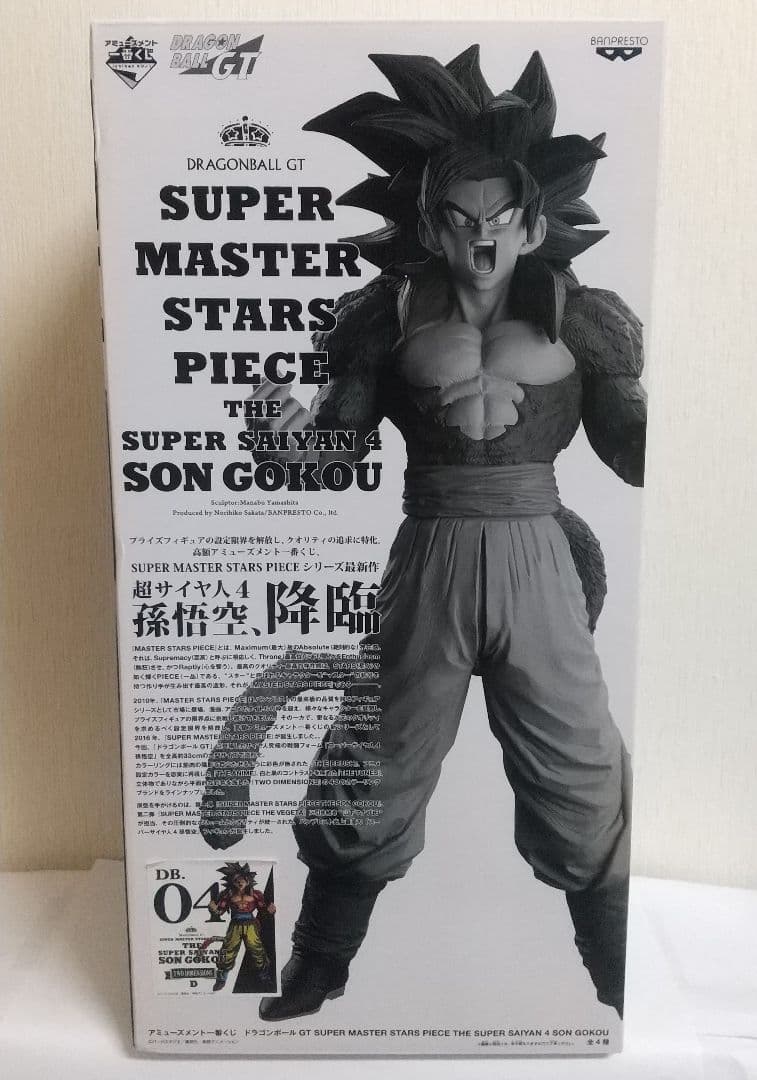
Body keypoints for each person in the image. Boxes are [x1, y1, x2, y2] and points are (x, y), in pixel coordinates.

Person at [201, 46, 646, 1022]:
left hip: (537, 553)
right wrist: (278, 441)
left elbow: (634, 451)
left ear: (533, 223)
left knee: (579, 766)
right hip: (429, 550)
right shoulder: (381, 318)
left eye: (499, 217)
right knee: (374, 760)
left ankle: (618, 972)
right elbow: (333, 455)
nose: (481, 237)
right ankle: (318, 963)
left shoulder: (588, 320)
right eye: (459, 216)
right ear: (429, 222)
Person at [209, 862, 276, 991]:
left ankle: (264, 976)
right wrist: (214, 909)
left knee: (257, 949)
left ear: (248, 880)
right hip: (235, 926)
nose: (240, 882)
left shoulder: (256, 894)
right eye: (237, 880)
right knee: (228, 950)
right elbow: (220, 911)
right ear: (232, 882)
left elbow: (262, 910)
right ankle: (221, 979)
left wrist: (269, 910)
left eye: (242, 880)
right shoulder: (228, 895)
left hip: (251, 925)